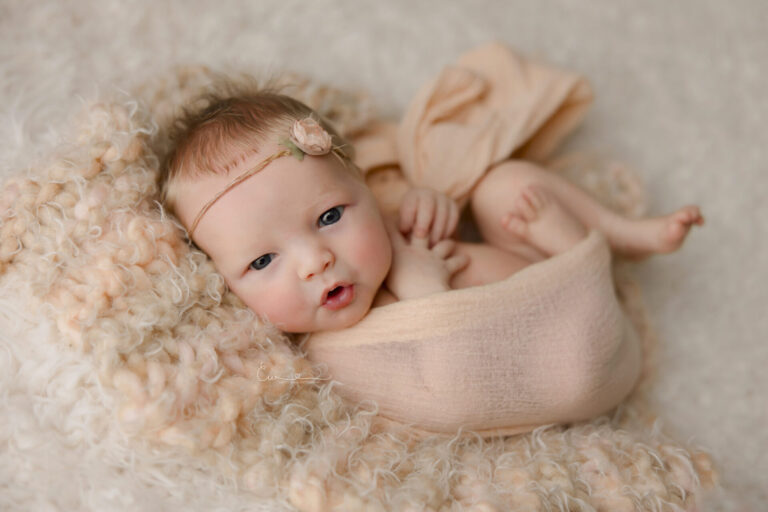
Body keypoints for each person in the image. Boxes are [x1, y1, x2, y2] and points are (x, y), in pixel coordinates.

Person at [160, 91, 703, 334]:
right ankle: (581, 255)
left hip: (543, 270)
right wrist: (424, 288)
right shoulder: (331, 346)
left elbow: (414, 206)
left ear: (362, 186)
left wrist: (430, 201)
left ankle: (623, 234)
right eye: (262, 261)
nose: (315, 262)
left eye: (329, 217)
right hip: (559, 330)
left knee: (504, 186)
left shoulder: (388, 220)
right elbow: (453, 374)